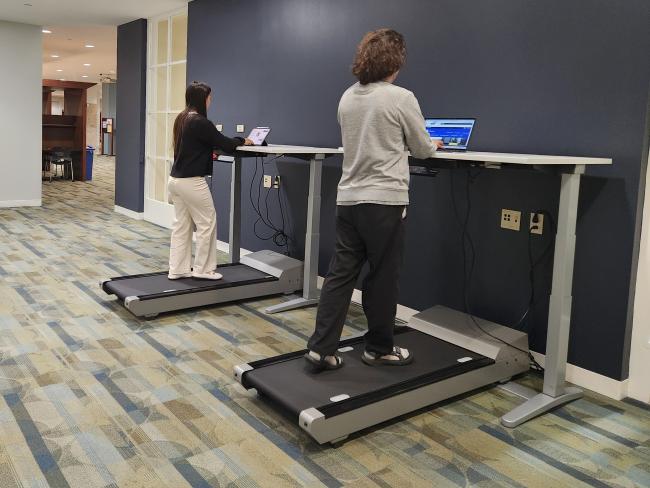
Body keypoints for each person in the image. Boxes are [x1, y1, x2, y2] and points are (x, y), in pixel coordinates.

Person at [305, 29, 443, 371]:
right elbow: (423, 148)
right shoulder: (401, 97)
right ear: (395, 63)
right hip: (384, 201)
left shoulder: (347, 97)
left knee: (340, 275)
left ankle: (321, 348)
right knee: (382, 277)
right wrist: (434, 144)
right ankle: (380, 349)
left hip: (349, 199)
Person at [168, 81, 253, 280]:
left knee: (182, 226)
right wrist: (243, 140)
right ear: (202, 99)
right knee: (207, 223)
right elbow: (225, 143)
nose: (210, 101)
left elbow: (197, 145)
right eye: (209, 97)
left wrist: (209, 151)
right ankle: (203, 270)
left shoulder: (182, 118)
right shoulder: (200, 121)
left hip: (175, 180)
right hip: (191, 181)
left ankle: (177, 269)